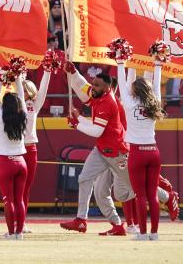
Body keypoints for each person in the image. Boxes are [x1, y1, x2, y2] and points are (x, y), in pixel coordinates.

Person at [61, 63, 134, 236]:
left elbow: (96, 130)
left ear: (109, 88)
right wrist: (73, 72)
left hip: (118, 152)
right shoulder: (99, 95)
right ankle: (85, 220)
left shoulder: (109, 103)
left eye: (96, 85)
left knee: (134, 187)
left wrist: (77, 123)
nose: (92, 88)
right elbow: (82, 88)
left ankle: (165, 197)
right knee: (87, 180)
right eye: (93, 84)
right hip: (103, 150)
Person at [118, 58, 165, 240]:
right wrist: (158, 64)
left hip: (137, 153)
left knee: (140, 196)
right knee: (153, 195)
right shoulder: (154, 103)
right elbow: (156, 83)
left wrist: (121, 63)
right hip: (153, 152)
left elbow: (122, 83)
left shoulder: (129, 104)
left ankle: (143, 234)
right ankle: (154, 233)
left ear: (134, 90)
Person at [0, 73, 28, 240]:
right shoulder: (24, 116)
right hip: (21, 161)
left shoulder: (1, 119)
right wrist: (18, 79)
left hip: (6, 162)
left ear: (4, 106)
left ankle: (11, 232)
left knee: (9, 200)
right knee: (19, 199)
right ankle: (19, 233)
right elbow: (21, 95)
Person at [22, 66, 52, 228]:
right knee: (16, 189)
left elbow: (44, 90)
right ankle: (14, 221)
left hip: (31, 149)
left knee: (26, 189)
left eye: (26, 90)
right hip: (17, 150)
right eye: (22, 90)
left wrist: (47, 71)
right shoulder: (15, 103)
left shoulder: (34, 105)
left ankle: (22, 221)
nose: (23, 93)